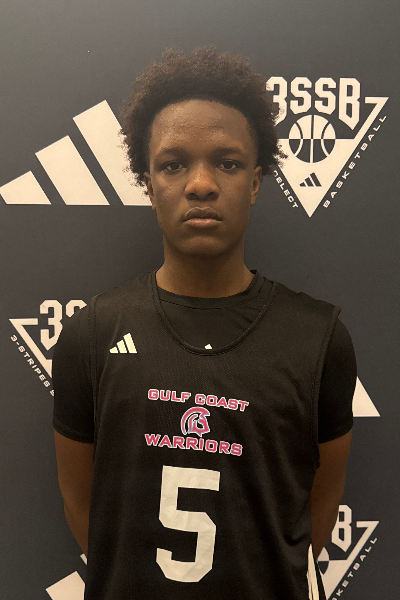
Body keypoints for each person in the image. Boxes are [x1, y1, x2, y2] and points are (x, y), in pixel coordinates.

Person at [52, 45, 356, 600]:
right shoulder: (91, 334)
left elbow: (316, 509)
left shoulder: (319, 339)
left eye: (227, 163)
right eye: (173, 164)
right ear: (148, 183)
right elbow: (81, 505)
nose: (200, 184)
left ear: (256, 182)